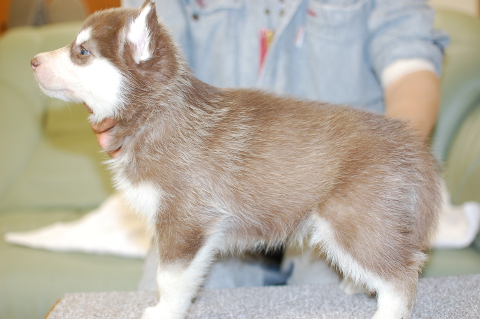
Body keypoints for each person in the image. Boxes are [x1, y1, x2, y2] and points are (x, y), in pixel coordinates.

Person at [90, 0, 480, 288]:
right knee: (167, 294)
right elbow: (144, 65)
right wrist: (123, 112)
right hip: (211, 204)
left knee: (337, 294)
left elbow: (411, 68)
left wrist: (388, 170)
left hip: (331, 197)